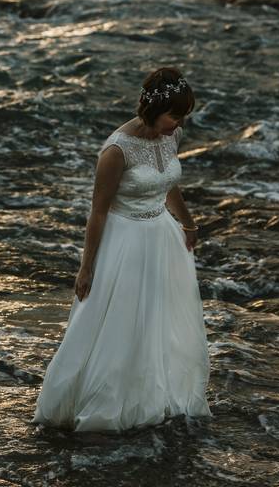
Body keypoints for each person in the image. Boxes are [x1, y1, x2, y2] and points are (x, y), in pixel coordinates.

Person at [33, 67, 211, 432]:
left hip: (160, 237)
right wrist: (87, 268)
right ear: (153, 108)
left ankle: (149, 395)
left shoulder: (170, 134)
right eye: (174, 115)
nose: (178, 123)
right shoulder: (116, 150)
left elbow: (168, 183)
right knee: (117, 324)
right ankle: (101, 403)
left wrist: (188, 223)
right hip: (124, 240)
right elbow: (97, 212)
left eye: (182, 117)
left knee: (155, 323)